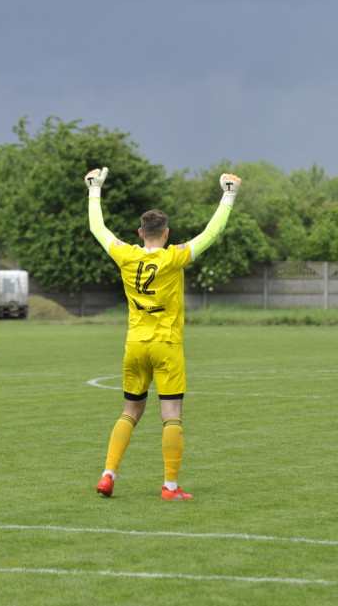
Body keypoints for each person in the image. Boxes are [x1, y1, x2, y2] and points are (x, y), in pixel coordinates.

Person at [85, 166, 241, 500]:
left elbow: (97, 228)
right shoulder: (174, 258)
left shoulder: (126, 255)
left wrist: (94, 189)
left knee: (130, 411)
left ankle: (108, 475)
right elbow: (211, 234)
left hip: (135, 345)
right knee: (171, 415)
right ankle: (170, 487)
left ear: (140, 233)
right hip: (167, 345)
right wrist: (229, 194)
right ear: (166, 233)